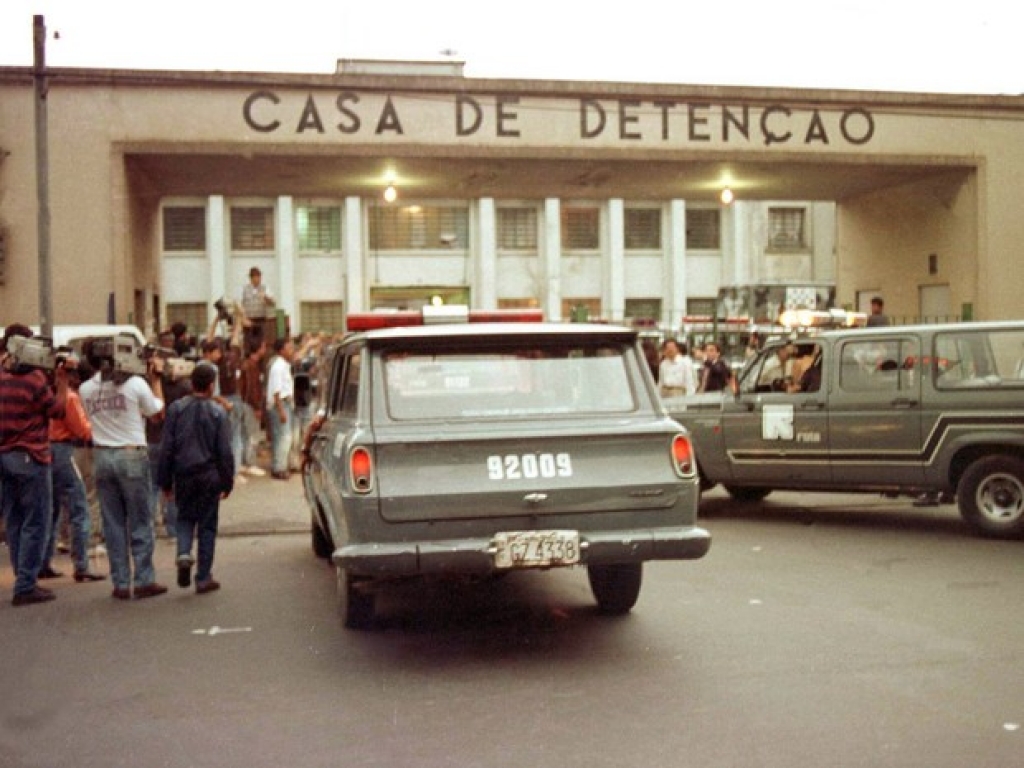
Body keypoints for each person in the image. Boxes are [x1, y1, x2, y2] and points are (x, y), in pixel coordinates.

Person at [79, 339, 168, 600]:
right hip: (131, 453)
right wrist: (156, 380)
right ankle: (143, 579)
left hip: (102, 455)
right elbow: (156, 414)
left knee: (113, 523)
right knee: (140, 520)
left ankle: (120, 582)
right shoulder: (136, 384)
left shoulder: (86, 389)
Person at [1, 324, 69, 606]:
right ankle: (26, 584)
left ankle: (22, 576)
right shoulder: (34, 378)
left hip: (3, 456)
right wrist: (62, 381)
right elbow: (58, 410)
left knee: (14, 520)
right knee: (36, 521)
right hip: (31, 456)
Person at [157, 363, 234, 595]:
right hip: (209, 475)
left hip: (184, 474)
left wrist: (165, 481)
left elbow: (167, 447)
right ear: (211, 386)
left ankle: (183, 552)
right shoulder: (218, 412)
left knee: (185, 518)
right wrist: (227, 481)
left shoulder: (176, 409)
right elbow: (225, 451)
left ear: (192, 384)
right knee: (207, 526)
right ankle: (203, 576)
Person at [42, 357, 105, 583]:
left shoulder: (46, 393)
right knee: (80, 508)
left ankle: (43, 561)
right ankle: (81, 565)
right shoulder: (70, 397)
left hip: (45, 449)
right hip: (64, 450)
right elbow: (81, 430)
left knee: (51, 509)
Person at [146, 330, 191, 539]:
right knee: (172, 487)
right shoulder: (183, 386)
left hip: (152, 437)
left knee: (153, 486)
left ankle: (152, 526)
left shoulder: (150, 385)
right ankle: (173, 530)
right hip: (173, 441)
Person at [265, 337, 295, 480]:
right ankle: (279, 468)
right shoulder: (277, 366)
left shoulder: (284, 365)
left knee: (282, 436)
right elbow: (276, 391)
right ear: (282, 350)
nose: (291, 350)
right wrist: (281, 410)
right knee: (284, 437)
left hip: (285, 403)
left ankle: (279, 465)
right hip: (280, 403)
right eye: (289, 348)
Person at [238, 338, 267, 476]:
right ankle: (250, 462)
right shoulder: (251, 366)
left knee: (245, 433)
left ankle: (245, 461)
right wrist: (256, 407)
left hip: (246, 403)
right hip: (250, 404)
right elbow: (251, 388)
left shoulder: (249, 364)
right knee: (252, 435)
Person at [241, 266, 275, 344]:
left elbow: (272, 303)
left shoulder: (265, 288)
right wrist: (243, 318)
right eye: (255, 277)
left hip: (261, 320)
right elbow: (240, 305)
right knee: (248, 341)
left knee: (261, 341)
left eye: (258, 277)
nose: (257, 279)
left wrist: (265, 297)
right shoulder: (244, 289)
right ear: (251, 278)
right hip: (248, 319)